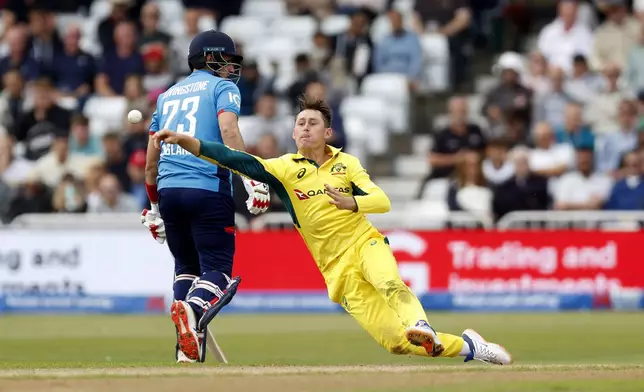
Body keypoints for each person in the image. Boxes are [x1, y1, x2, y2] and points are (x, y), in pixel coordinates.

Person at [152, 95, 512, 366]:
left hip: (364, 242)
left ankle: (423, 323)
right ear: (293, 132)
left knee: (390, 283)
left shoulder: (347, 163)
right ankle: (470, 346)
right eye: (300, 123)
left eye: (313, 123)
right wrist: (187, 142)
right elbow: (235, 159)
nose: (305, 127)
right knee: (399, 343)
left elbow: (382, 200)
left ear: (327, 132)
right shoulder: (283, 169)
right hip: (335, 270)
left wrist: (353, 203)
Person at [142, 30, 271, 363]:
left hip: (169, 190)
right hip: (207, 187)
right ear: (211, 57)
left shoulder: (166, 95)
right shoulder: (222, 87)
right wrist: (251, 176)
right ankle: (194, 311)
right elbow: (228, 131)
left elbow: (150, 161)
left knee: (186, 267)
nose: (231, 66)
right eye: (227, 58)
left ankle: (187, 348)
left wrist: (154, 207)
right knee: (218, 270)